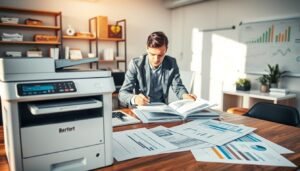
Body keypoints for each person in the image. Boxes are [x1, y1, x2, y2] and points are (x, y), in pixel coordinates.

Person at [118, 31, 196, 107]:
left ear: (166, 50)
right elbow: (122, 93)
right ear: (147, 48)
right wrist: (134, 99)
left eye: (160, 55)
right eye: (152, 54)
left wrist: (185, 96)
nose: (156, 59)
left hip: (163, 109)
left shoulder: (171, 62)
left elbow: (178, 87)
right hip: (141, 109)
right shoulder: (135, 64)